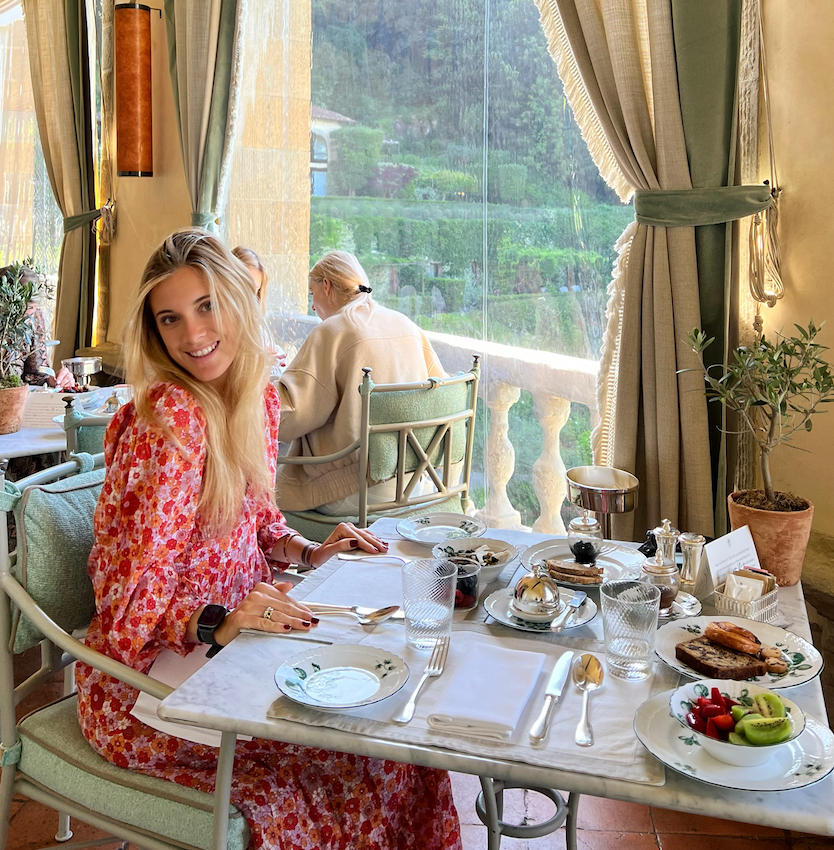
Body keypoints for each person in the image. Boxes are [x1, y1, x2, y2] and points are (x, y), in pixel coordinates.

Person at [75, 229, 461, 850]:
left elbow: (257, 526)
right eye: (170, 318)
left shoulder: (254, 398)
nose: (194, 336)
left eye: (207, 306)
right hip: (146, 685)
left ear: (238, 299)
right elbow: (127, 608)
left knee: (399, 745)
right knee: (350, 769)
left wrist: (311, 552)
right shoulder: (169, 422)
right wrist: (216, 623)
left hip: (241, 650)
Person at [276, 251, 447, 514]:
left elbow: (289, 417)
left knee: (256, 491)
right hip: (416, 483)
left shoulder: (332, 331)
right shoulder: (406, 324)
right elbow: (442, 395)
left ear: (327, 286)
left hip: (354, 490)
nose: (312, 306)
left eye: (312, 293)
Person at [232, 245, 286, 377]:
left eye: (255, 290)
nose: (249, 296)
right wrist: (262, 362)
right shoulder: (218, 321)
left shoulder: (255, 322)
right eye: (244, 286)